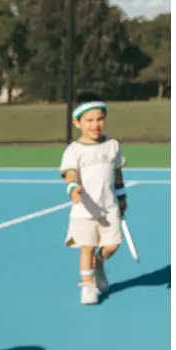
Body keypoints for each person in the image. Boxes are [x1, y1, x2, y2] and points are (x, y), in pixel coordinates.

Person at [60, 96, 128, 306]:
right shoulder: (74, 150)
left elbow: (117, 173)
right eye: (89, 120)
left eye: (99, 119)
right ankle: (88, 286)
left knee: (113, 245)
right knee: (87, 247)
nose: (95, 124)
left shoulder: (112, 145)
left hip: (109, 207)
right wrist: (73, 189)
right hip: (85, 210)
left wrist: (122, 197)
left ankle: (99, 262)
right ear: (77, 122)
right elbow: (70, 173)